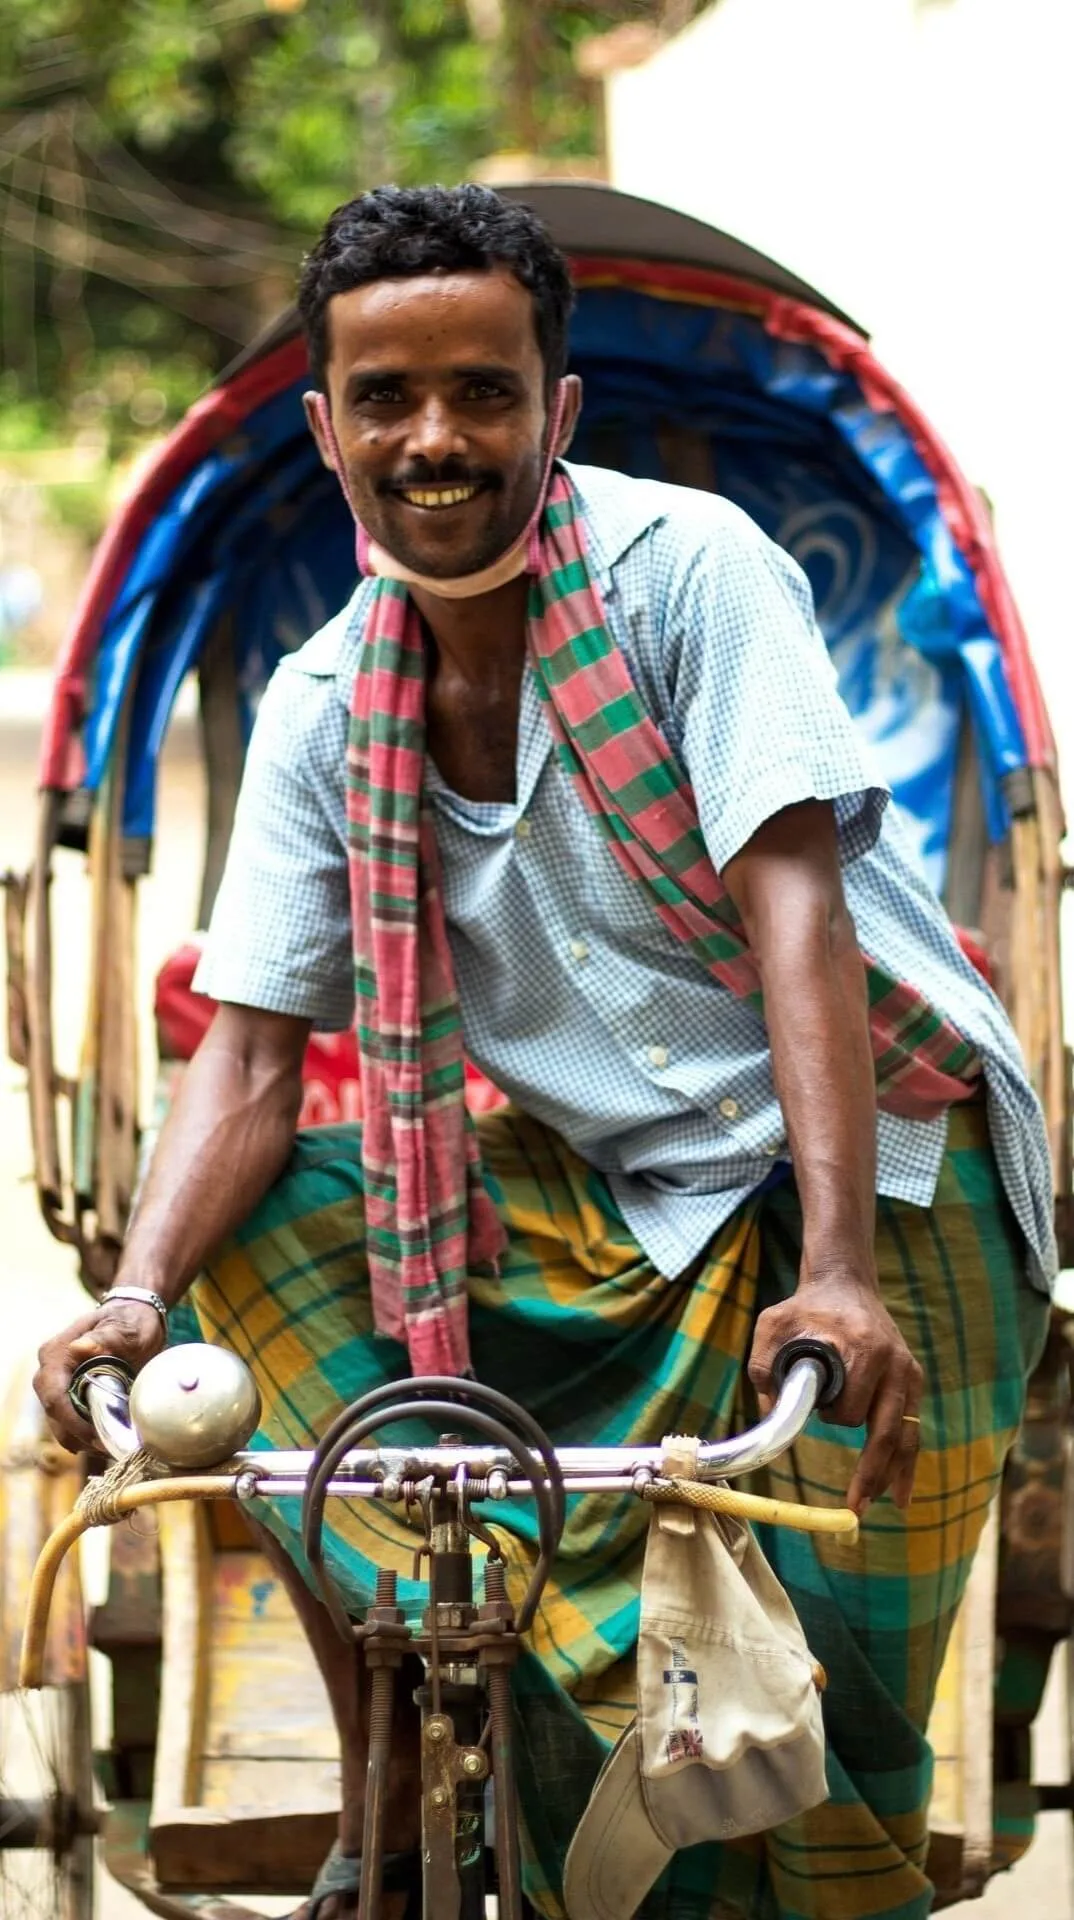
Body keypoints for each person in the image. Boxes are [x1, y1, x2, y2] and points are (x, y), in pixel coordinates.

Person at [34, 185, 1055, 1920]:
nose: (435, 441)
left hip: (880, 1169)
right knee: (242, 1249)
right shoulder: (319, 703)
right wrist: (133, 1298)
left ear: (553, 411)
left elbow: (792, 907)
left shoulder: (691, 575)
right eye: (387, 400)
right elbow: (258, 1056)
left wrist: (834, 1272)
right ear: (328, 427)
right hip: (624, 1192)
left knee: (806, 1701)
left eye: (483, 394)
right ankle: (399, 1767)